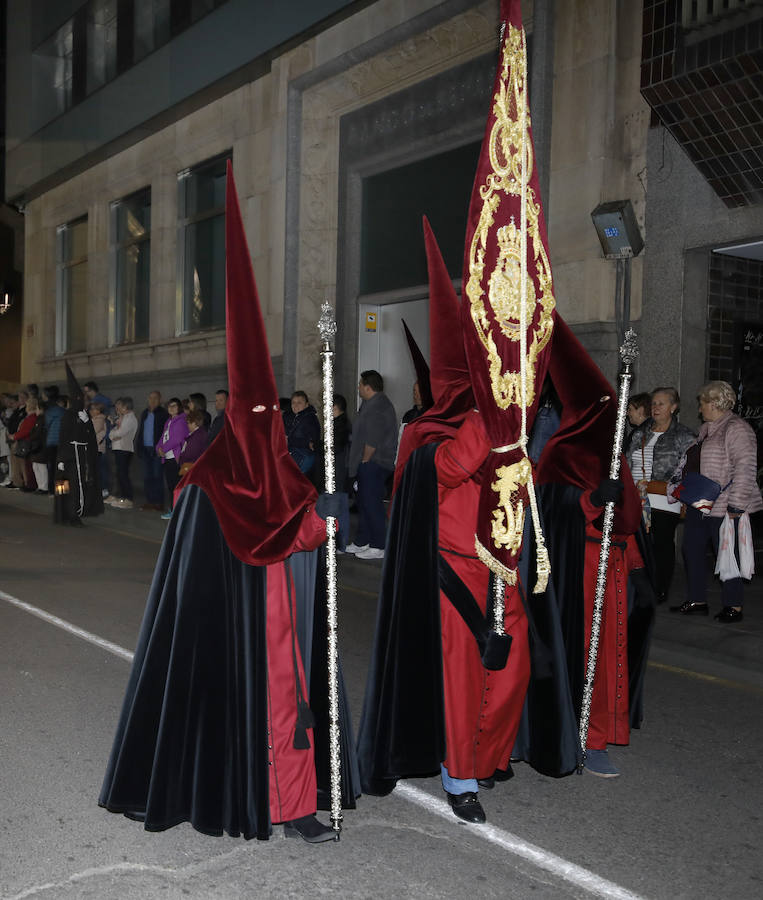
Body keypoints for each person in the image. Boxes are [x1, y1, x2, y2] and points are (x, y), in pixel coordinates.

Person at [100, 164, 357, 844]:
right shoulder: (208, 476)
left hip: (285, 620)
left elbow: (297, 516)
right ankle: (243, 797)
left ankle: (296, 804)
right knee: (254, 707)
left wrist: (327, 510)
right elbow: (263, 531)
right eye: (259, 414)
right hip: (239, 628)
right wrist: (311, 524)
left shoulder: (273, 455)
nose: (269, 424)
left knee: (293, 706)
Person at [359, 222, 530, 823]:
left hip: (501, 570)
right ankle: (460, 778)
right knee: (460, 682)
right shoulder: (428, 432)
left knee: (512, 669)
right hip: (452, 574)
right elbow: (449, 471)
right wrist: (494, 417)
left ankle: (487, 755)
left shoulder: (505, 423)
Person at [670, 380, 762, 622]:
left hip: (724, 506)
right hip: (701, 503)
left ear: (714, 402)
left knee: (728, 555)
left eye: (702, 404)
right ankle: (697, 599)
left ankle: (734, 606)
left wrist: (737, 504)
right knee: (691, 549)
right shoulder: (707, 429)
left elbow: (746, 468)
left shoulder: (737, 428)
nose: (699, 409)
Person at [625, 388, 696, 604]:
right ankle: (640, 585)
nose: (655, 408)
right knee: (639, 543)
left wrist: (677, 489)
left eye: (661, 404)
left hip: (665, 499)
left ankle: (660, 587)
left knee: (662, 543)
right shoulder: (640, 433)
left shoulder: (684, 436)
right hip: (637, 497)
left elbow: (690, 469)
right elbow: (628, 462)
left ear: (674, 407)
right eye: (654, 404)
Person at [345, 371, 397, 560]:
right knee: (364, 503)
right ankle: (363, 541)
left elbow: (372, 439)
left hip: (374, 462)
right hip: (367, 463)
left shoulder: (379, 406)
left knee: (372, 503)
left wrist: (365, 461)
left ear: (368, 387)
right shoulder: (369, 404)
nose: (358, 387)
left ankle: (379, 544)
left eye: (360, 384)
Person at [54, 364, 104, 526]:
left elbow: (89, 436)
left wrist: (87, 422)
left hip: (81, 455)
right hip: (68, 456)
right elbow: (63, 437)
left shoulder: (85, 416)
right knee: (65, 485)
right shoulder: (67, 416)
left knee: (78, 485)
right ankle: (64, 513)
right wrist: (61, 458)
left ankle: (75, 513)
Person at [156, 397, 188, 519]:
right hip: (167, 458)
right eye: (170, 406)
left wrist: (163, 449)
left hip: (175, 458)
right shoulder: (168, 421)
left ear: (179, 407)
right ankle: (173, 510)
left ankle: (177, 512)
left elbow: (177, 439)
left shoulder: (181, 420)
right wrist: (158, 448)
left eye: (174, 405)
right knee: (170, 486)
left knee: (175, 486)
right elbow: (163, 437)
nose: (171, 408)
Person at [137, 391, 169, 511]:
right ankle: (150, 501)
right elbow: (141, 430)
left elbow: (165, 432)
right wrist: (139, 447)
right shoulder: (145, 413)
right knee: (147, 476)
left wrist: (163, 447)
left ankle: (159, 502)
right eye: (151, 398)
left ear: (160, 400)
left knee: (157, 476)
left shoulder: (163, 414)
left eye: (155, 398)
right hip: (145, 449)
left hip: (157, 450)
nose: (153, 400)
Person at [106, 397, 138, 510]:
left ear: (125, 407)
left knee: (123, 474)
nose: (117, 409)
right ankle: (122, 497)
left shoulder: (130, 418)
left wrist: (115, 434)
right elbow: (112, 433)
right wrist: (114, 434)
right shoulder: (122, 417)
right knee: (120, 474)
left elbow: (121, 432)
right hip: (118, 448)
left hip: (125, 449)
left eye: (119, 406)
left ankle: (128, 498)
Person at [283, 391, 320, 475]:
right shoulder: (291, 417)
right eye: (293, 403)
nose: (295, 405)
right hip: (293, 454)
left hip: (303, 456)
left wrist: (289, 440)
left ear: (306, 404)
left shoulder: (310, 418)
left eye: (299, 403)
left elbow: (312, 441)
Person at [43, 386, 65, 496]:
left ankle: (52, 491)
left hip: (51, 442)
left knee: (51, 467)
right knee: (61, 467)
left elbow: (46, 426)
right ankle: (61, 491)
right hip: (62, 443)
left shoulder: (49, 412)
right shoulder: (64, 412)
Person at [177, 409, 208, 474]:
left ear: (194, 423)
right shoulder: (199, 433)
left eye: (188, 423)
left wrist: (180, 459)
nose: (187, 425)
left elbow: (190, 454)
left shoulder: (197, 436)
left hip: (193, 468)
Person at [89, 402, 110, 498]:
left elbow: (91, 432)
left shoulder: (99, 419)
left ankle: (103, 489)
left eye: (93, 409)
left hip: (98, 448)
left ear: (98, 411)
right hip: (94, 448)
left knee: (100, 470)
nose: (91, 411)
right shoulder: (94, 419)